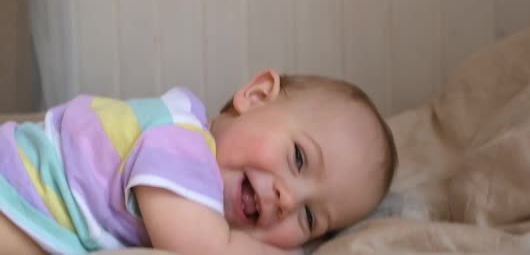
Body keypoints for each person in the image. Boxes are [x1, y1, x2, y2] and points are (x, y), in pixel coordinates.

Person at [0, 69, 397, 254]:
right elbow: (205, 250)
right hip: (13, 196)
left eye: (310, 218)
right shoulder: (182, 142)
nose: (289, 199)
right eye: (298, 158)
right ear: (256, 97)